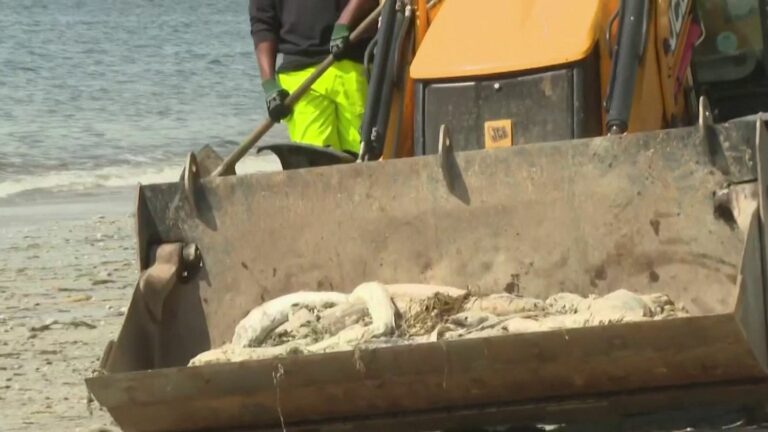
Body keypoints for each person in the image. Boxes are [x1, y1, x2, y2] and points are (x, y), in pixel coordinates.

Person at [249, 0, 378, 157]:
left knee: (364, 158)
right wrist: (269, 84)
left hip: (353, 66)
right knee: (316, 165)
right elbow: (262, 22)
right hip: (300, 77)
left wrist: (345, 21)